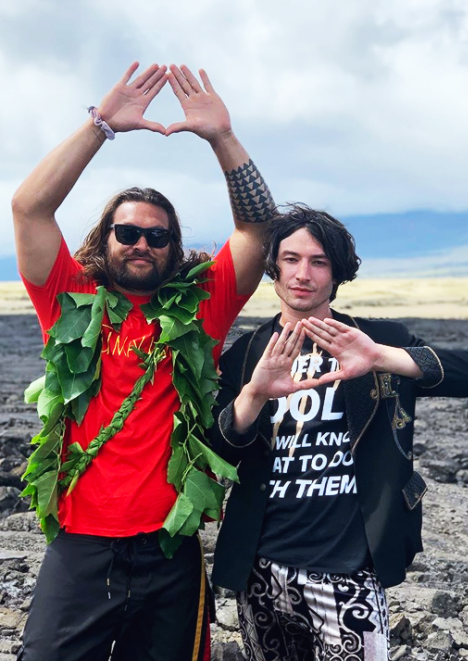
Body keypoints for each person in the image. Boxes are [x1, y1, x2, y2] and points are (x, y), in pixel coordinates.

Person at [12, 62, 276, 661]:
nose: (141, 244)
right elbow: (29, 208)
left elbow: (260, 229)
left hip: (170, 545)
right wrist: (101, 125)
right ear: (104, 237)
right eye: (127, 232)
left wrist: (222, 138)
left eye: (158, 237)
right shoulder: (68, 298)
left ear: (174, 248)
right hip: (81, 542)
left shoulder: (203, 308)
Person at [208, 204, 468, 661]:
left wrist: (382, 357)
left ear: (337, 274)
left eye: (319, 262)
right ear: (273, 268)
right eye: (291, 259)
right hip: (260, 565)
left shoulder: (373, 338)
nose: (303, 273)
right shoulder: (247, 353)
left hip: (349, 568)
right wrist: (254, 395)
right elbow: (218, 448)